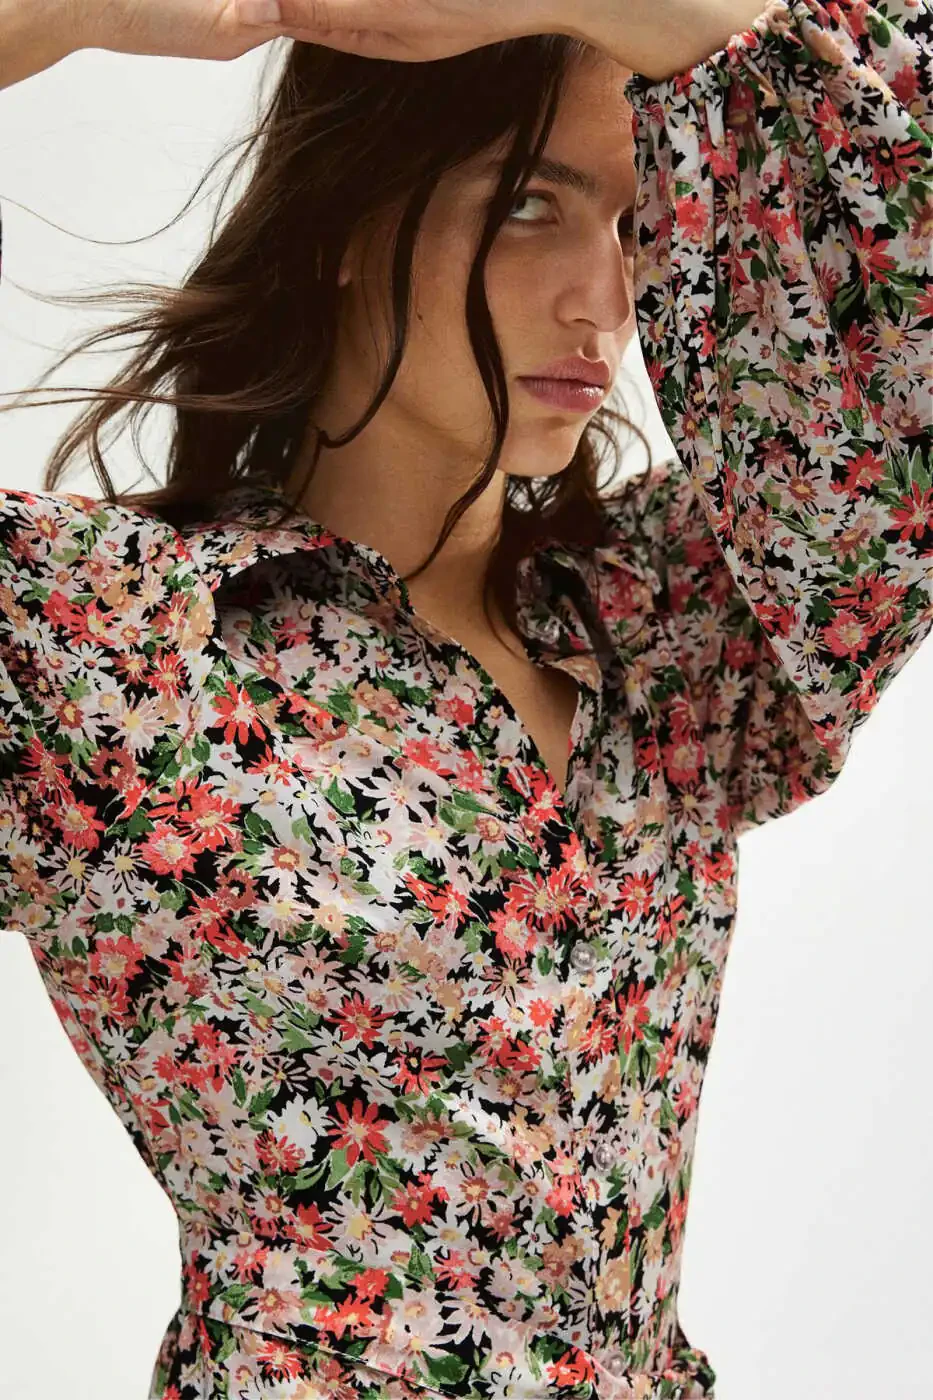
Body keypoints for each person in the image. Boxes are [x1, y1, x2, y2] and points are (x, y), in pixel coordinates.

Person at [0, 1, 929, 1397]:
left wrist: (649, 10)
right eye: (531, 206)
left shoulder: (673, 631)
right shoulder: (117, 648)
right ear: (343, 216)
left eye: (636, 225)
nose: (604, 302)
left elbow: (900, 368)